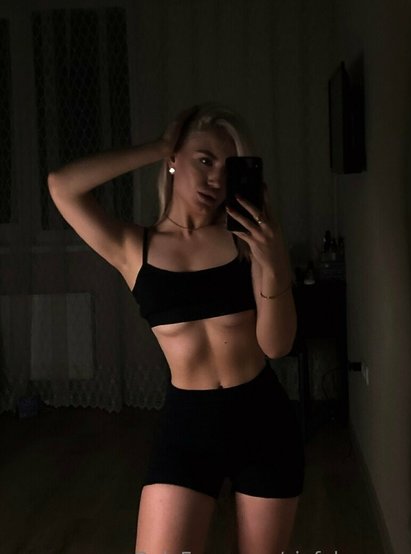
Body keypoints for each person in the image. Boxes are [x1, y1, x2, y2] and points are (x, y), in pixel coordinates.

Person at [48, 102, 305, 554]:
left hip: (262, 417)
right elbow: (62, 186)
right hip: (189, 424)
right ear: (173, 160)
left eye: (227, 168)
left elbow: (277, 345)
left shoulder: (247, 240)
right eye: (204, 160)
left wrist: (275, 262)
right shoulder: (134, 248)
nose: (215, 179)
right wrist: (157, 146)